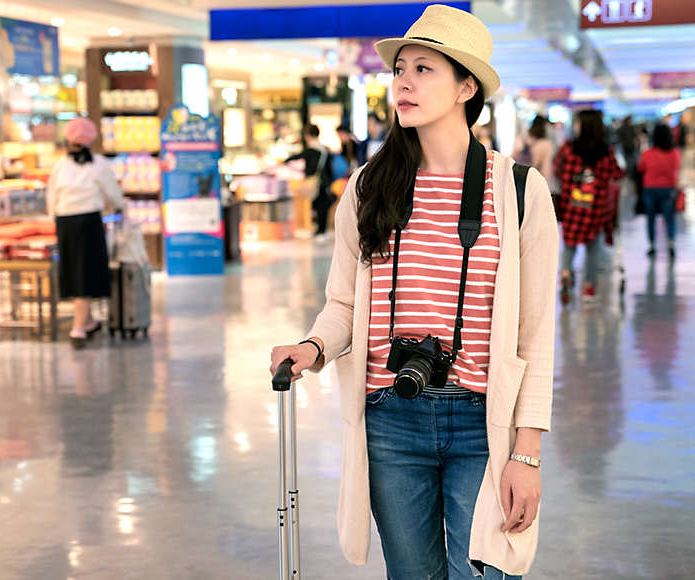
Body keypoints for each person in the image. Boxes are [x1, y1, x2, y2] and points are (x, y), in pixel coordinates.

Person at [270, 5, 559, 579]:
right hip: (390, 418)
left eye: (424, 69)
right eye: (399, 68)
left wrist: (526, 453)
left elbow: (536, 335)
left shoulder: (520, 192)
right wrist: (313, 347)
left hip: (484, 422)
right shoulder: (368, 185)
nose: (403, 81)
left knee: (486, 574)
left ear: (465, 87)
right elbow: (344, 302)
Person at [46, 117, 123, 349]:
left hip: (64, 222)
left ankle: (87, 322)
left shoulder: (60, 165)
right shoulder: (98, 164)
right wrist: (118, 206)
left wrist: (55, 221)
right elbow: (114, 194)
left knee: (73, 270)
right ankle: (78, 328)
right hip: (89, 221)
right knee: (87, 271)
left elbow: (51, 196)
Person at [554, 109, 624, 303]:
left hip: (571, 206)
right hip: (596, 209)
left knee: (569, 246)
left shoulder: (567, 149)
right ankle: (588, 289)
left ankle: (566, 274)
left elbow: (557, 172)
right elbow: (617, 174)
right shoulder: (605, 151)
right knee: (593, 249)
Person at [637, 123, 681, 259]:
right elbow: (677, 168)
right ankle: (671, 243)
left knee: (651, 218)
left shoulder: (647, 154)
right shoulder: (675, 153)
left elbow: (640, 169)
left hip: (650, 189)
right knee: (669, 218)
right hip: (668, 189)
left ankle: (652, 245)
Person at [285, 124, 335, 237]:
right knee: (323, 204)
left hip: (315, 181)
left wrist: (285, 161)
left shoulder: (312, 150)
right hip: (324, 181)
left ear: (309, 135)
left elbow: (299, 157)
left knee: (317, 205)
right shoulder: (324, 149)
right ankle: (322, 229)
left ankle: (320, 229)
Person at [524, 115, 555, 189]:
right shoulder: (547, 145)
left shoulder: (524, 140)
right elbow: (546, 167)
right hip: (541, 182)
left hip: (526, 180)